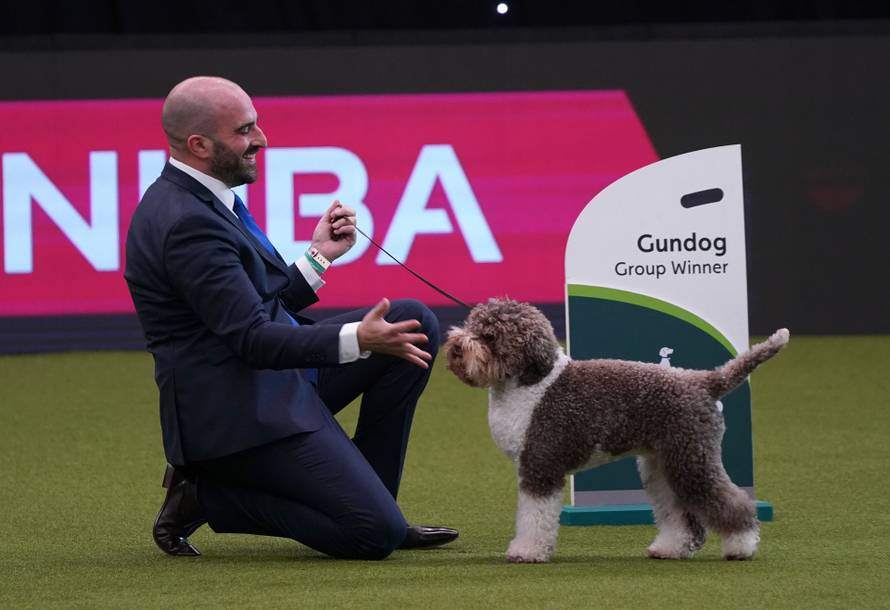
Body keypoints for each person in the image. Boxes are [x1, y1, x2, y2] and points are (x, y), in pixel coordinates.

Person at [124, 76, 457, 559]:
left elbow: (257, 304)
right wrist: (358, 339)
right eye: (244, 130)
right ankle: (205, 495)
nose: (261, 139)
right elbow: (253, 338)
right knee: (373, 536)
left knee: (415, 323)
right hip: (237, 414)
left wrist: (319, 256)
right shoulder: (186, 223)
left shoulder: (204, 197)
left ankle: (375, 501)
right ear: (199, 145)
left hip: (276, 380)